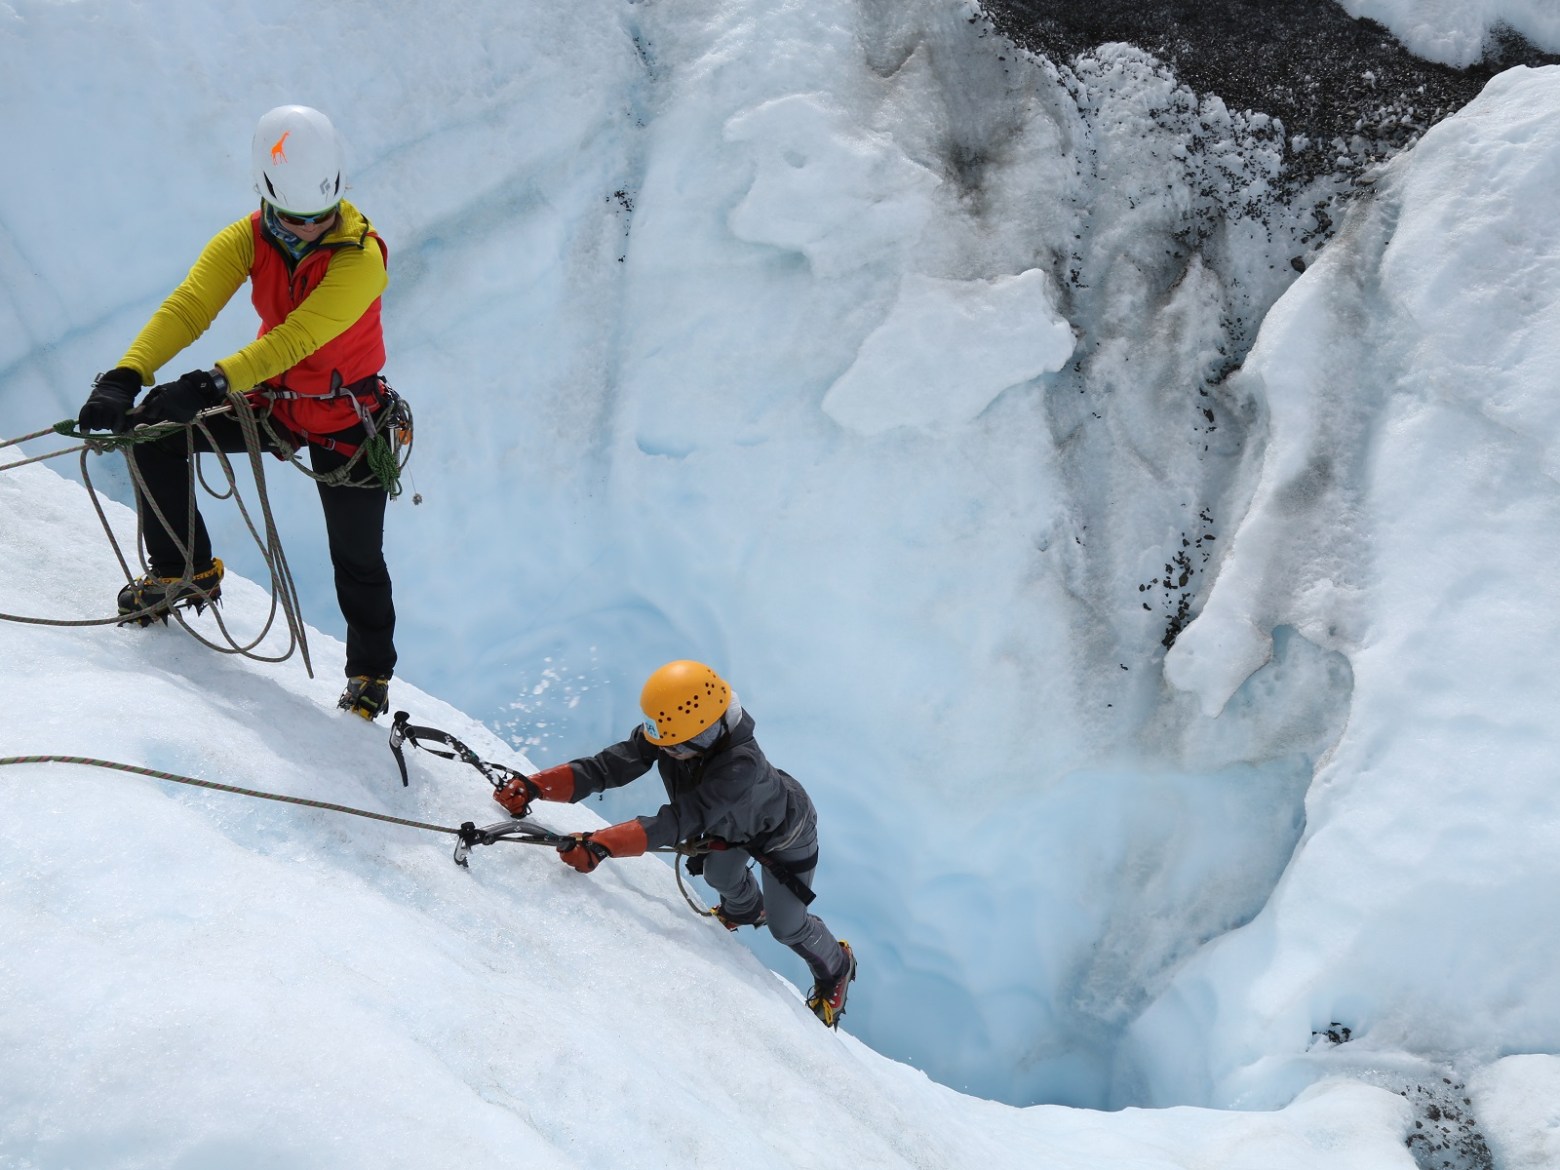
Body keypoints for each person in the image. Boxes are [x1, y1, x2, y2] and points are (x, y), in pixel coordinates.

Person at [75, 105, 399, 719]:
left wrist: (209, 382)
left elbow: (296, 338)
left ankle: (369, 672)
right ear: (269, 199)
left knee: (357, 556)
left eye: (321, 216)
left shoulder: (361, 258)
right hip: (273, 403)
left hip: (347, 418)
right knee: (154, 432)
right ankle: (184, 570)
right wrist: (127, 374)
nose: (310, 227)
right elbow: (190, 305)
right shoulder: (248, 236)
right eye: (296, 218)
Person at [494, 660, 859, 1027]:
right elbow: (609, 767)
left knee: (788, 927)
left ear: (709, 731)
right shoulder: (674, 733)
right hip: (730, 824)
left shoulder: (739, 766)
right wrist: (537, 786)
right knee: (720, 877)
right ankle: (747, 911)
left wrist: (602, 844)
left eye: (683, 746)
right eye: (665, 743)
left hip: (785, 835)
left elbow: (682, 818)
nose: (671, 752)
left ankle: (838, 967)